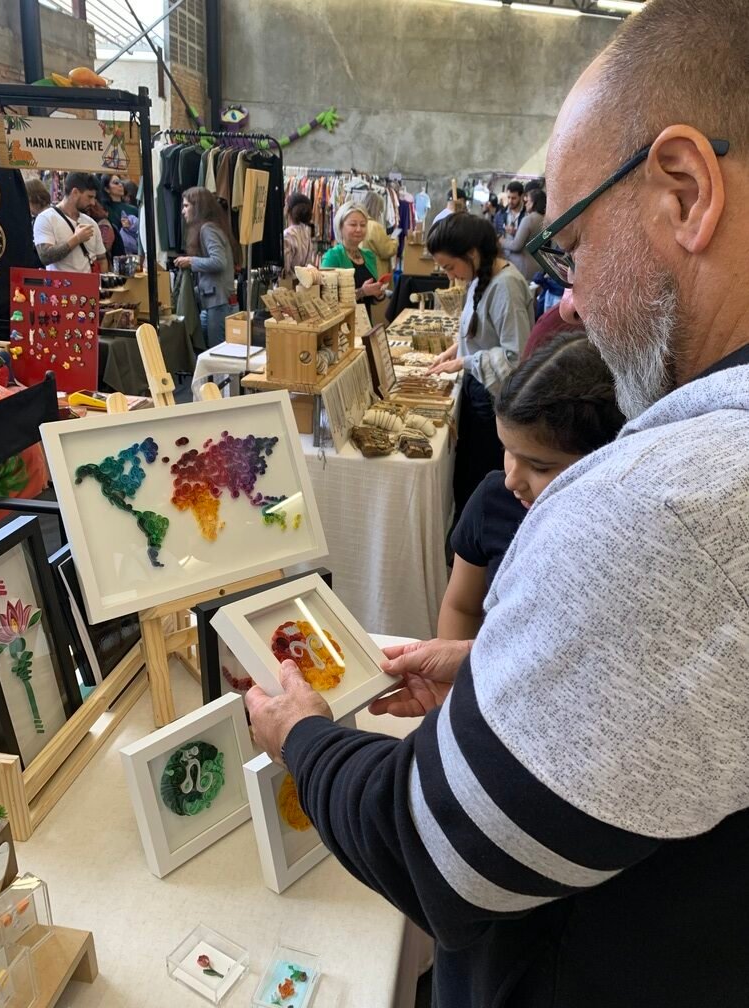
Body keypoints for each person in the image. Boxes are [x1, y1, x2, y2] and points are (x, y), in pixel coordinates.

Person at [246, 1, 749, 1005]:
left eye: (573, 243)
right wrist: (493, 671)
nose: (575, 297)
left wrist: (301, 735)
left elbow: (434, 852)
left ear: (686, 193)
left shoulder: (670, 504)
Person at [439, 332, 624, 639]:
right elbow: (461, 606)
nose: (511, 479)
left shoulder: (614, 530)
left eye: (539, 466)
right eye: (507, 451)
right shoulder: (492, 501)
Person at [426, 212, 533, 520]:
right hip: (478, 388)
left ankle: (474, 541)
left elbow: (515, 357)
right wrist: (453, 350)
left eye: (450, 267)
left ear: (472, 254)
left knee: (478, 479)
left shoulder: (506, 286)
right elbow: (481, 332)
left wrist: (464, 360)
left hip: (491, 398)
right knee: (466, 477)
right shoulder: (480, 278)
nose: (450, 275)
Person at [174, 187, 237, 349]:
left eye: (186, 206)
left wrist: (191, 261)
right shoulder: (213, 227)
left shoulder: (207, 229)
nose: (183, 211)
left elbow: (219, 262)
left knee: (217, 353)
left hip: (219, 303)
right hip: (216, 302)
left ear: (198, 207)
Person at [320, 203, 385, 320]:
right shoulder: (332, 257)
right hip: (342, 324)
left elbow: (371, 300)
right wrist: (361, 292)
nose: (359, 229)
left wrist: (378, 293)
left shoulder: (369, 256)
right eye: (353, 224)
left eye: (363, 225)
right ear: (340, 227)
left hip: (365, 323)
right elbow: (326, 301)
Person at [33, 171, 107, 273]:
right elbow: (45, 256)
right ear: (75, 192)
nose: (93, 203)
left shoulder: (91, 223)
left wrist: (102, 282)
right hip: (59, 282)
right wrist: (76, 239)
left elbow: (102, 259)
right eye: (89, 197)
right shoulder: (46, 218)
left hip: (89, 282)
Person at [501, 187, 547, 281]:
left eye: (527, 201)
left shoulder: (528, 219)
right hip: (539, 266)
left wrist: (501, 241)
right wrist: (515, 232)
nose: (525, 204)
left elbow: (516, 246)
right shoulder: (545, 219)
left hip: (523, 267)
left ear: (533, 203)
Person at [360, 190, 398, 277]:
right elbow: (387, 250)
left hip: (365, 269)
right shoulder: (375, 227)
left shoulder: (361, 224)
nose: (380, 213)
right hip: (377, 270)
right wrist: (394, 239)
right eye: (380, 210)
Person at [99, 173, 136, 254]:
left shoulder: (133, 209)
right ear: (107, 189)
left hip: (132, 250)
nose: (120, 185)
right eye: (116, 183)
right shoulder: (102, 209)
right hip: (112, 250)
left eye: (121, 182)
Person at [282, 193, 315, 278]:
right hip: (302, 281)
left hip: (288, 283)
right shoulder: (306, 233)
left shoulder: (287, 235)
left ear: (288, 209)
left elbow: (284, 269)